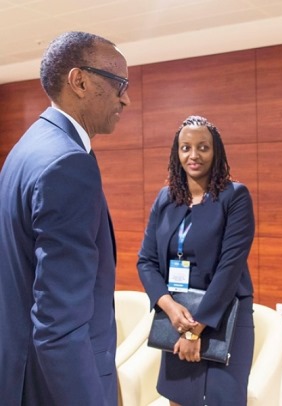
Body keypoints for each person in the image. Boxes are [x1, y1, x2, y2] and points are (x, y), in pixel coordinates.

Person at [0, 31, 130, 405]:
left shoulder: (27, 148)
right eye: (120, 84)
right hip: (53, 387)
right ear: (80, 81)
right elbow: (59, 324)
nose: (126, 98)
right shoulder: (67, 163)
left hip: (22, 373)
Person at [137, 115, 255, 406]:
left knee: (222, 399)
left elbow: (230, 269)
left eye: (203, 147)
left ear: (216, 151)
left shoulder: (235, 197)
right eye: (185, 147)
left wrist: (194, 331)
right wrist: (169, 307)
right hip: (177, 317)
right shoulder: (165, 199)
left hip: (222, 316)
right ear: (176, 153)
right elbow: (146, 261)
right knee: (178, 398)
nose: (194, 155)